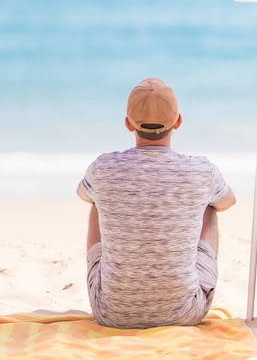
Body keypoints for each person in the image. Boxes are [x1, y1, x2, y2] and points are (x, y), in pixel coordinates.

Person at [77, 77, 236, 329]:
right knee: (209, 205)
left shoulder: (104, 168)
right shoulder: (201, 170)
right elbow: (229, 201)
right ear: (179, 121)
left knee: (98, 201)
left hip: (112, 313)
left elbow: (82, 194)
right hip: (185, 313)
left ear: (128, 124)